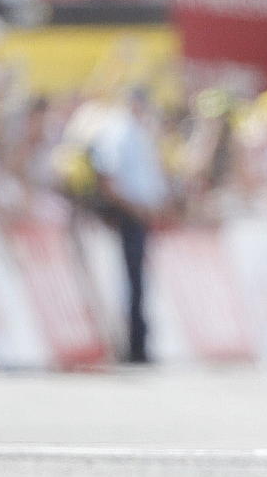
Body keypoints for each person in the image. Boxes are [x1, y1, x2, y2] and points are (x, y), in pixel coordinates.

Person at [88, 87, 172, 364]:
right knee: (126, 283)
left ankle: (139, 343)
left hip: (139, 215)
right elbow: (108, 175)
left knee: (138, 283)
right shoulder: (118, 132)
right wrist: (133, 207)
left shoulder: (138, 133)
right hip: (126, 216)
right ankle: (131, 345)